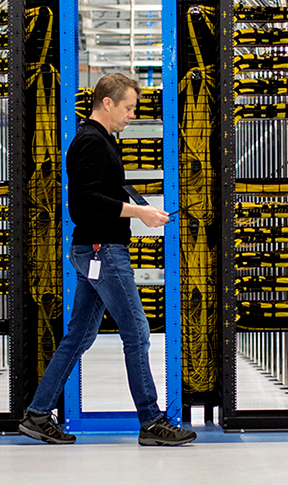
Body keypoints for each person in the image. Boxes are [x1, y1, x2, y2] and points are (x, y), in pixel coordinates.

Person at [17, 73, 198, 447]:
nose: (132, 115)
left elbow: (99, 193)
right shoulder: (91, 143)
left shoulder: (101, 141)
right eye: (129, 107)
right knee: (137, 333)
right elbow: (82, 203)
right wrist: (136, 212)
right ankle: (152, 421)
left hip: (97, 249)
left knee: (79, 336)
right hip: (102, 249)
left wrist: (142, 210)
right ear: (108, 103)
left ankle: (37, 413)